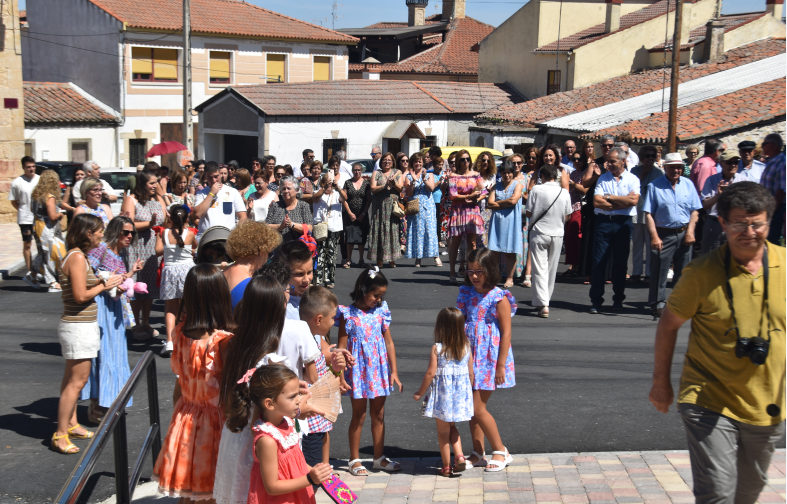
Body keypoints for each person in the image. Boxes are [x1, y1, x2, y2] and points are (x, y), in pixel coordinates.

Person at [649, 182, 784, 504]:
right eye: (739, 223)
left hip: (766, 403)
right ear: (722, 223)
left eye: (757, 223)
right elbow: (668, 326)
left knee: (748, 491)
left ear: (769, 222)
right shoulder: (701, 273)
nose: (749, 232)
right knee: (718, 494)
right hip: (708, 399)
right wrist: (661, 384)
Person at [215, 276, 340, 504]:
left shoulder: (235, 342)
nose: (288, 294)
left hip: (240, 434)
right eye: (285, 291)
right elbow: (275, 403)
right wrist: (302, 405)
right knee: (267, 490)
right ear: (277, 306)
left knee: (244, 490)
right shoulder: (272, 355)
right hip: (272, 435)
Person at [152, 264, 235, 499]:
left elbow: (179, 383)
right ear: (220, 297)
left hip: (185, 417)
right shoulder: (224, 341)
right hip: (216, 422)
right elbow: (228, 391)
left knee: (188, 490)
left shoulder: (178, 332)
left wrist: (179, 414)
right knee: (211, 492)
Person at [51, 214, 123, 454]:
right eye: (99, 231)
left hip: (78, 325)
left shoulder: (75, 256)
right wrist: (106, 284)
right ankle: (60, 434)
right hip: (78, 327)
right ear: (88, 233)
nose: (102, 235)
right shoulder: (77, 258)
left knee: (70, 380)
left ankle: (71, 424)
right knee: (77, 381)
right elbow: (81, 295)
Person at [337, 266, 403, 476]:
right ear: (363, 290)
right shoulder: (347, 315)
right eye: (376, 295)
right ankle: (354, 459)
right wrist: (339, 376)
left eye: (381, 296)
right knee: (359, 414)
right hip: (357, 371)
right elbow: (340, 349)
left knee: (379, 413)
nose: (378, 299)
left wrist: (394, 371)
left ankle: (379, 458)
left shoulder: (381, 312)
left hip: (379, 370)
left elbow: (389, 343)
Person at [456, 247, 515, 472]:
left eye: (479, 271)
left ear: (490, 270)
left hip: (490, 359)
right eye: (470, 271)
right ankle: (477, 452)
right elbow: (459, 324)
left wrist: (500, 365)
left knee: (477, 406)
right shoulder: (466, 293)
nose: (474, 276)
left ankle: (500, 450)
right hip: (470, 356)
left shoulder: (499, 297)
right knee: (472, 408)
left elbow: (506, 333)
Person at [81, 216, 143, 421]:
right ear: (116, 231)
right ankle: (96, 405)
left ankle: (108, 401)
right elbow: (87, 273)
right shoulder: (102, 249)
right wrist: (107, 280)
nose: (129, 236)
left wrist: (131, 272)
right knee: (104, 353)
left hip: (115, 307)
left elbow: (118, 278)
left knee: (115, 354)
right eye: (125, 232)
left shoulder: (120, 253)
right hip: (102, 306)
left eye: (131, 233)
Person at [241, 366, 331, 504]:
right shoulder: (267, 440)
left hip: (297, 495)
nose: (298, 400)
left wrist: (316, 472)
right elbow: (272, 486)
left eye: (298, 394)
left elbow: (297, 462)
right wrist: (309, 479)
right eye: (292, 396)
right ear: (270, 404)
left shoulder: (287, 422)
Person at [413, 307, 474, 477]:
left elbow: (431, 373)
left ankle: (447, 467)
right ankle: (460, 456)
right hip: (460, 395)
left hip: (443, 397)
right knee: (452, 426)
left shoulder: (437, 348)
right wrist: (467, 394)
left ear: (441, 327)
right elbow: (471, 374)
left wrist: (419, 392)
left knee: (443, 432)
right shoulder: (467, 347)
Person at [298, 286, 352, 475]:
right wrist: (334, 376)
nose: (334, 322)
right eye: (332, 318)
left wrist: (336, 370)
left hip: (316, 414)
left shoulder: (313, 336)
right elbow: (312, 377)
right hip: (309, 416)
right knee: (311, 466)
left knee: (317, 454)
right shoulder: (306, 340)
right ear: (319, 319)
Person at [643, 153, 702, 318]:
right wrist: (654, 237)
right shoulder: (655, 186)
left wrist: (690, 232)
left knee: (683, 271)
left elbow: (695, 211)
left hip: (684, 233)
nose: (676, 170)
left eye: (678, 167)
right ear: (665, 168)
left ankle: (678, 302)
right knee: (660, 272)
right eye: (672, 167)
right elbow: (648, 214)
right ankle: (658, 303)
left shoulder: (688, 185)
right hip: (663, 233)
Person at [589, 147, 639, 314]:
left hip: (623, 224)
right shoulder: (603, 178)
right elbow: (597, 201)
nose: (608, 164)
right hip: (603, 223)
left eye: (612, 161)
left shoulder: (633, 179)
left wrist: (609, 197)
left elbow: (633, 202)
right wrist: (621, 202)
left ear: (623, 161)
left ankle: (618, 299)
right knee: (599, 263)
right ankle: (596, 301)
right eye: (607, 160)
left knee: (620, 263)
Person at [122, 170, 166, 339]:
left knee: (148, 288)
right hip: (137, 247)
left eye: (156, 182)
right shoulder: (131, 200)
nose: (155, 186)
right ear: (142, 184)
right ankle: (136, 324)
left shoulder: (157, 200)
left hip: (153, 248)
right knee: (136, 286)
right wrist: (150, 223)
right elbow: (128, 224)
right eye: (151, 183)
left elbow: (163, 220)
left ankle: (146, 322)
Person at [526, 165, 573, 318]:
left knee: (540, 268)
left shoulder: (536, 190)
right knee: (551, 269)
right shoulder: (564, 192)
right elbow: (568, 215)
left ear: (543, 176)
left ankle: (543, 302)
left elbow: (528, 212)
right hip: (557, 233)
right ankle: (546, 301)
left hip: (539, 232)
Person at [155, 205, 197, 356]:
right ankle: (188, 337)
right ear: (186, 220)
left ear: (170, 219)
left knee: (170, 308)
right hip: (187, 271)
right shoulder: (190, 234)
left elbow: (157, 251)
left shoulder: (163, 233)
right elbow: (194, 248)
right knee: (188, 306)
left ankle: (170, 341)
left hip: (171, 270)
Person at [223, 220, 282, 310]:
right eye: (269, 253)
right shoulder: (250, 285)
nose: (268, 259)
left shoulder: (223, 272)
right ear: (260, 252)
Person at [446, 150, 485, 284]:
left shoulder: (475, 175)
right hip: (458, 211)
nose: (465, 162)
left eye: (467, 159)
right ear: (458, 161)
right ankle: (452, 272)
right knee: (455, 243)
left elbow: (484, 191)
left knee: (472, 243)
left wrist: (477, 198)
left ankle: (470, 273)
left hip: (472, 211)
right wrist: (469, 196)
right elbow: (452, 195)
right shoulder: (453, 176)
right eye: (462, 159)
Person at [701, 151, 749, 254]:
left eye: (736, 162)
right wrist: (718, 196)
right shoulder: (711, 180)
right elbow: (704, 205)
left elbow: (748, 206)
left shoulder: (744, 181)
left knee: (735, 258)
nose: (733, 165)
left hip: (735, 225)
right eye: (729, 162)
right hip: (714, 225)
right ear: (721, 163)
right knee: (711, 259)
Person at [487, 160, 524, 288]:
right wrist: (506, 202)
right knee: (494, 251)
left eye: (509, 172)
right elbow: (489, 203)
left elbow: (514, 201)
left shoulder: (518, 185)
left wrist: (499, 203)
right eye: (504, 173)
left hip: (512, 221)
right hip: (497, 221)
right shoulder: (495, 186)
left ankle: (509, 278)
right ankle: (494, 277)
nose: (506, 175)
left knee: (510, 252)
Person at [630, 146, 665, 282]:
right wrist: (641, 176)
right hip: (637, 212)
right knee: (637, 244)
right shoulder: (634, 171)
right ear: (641, 157)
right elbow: (631, 187)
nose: (650, 159)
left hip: (652, 213)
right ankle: (636, 272)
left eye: (653, 156)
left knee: (651, 244)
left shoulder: (660, 172)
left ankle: (650, 273)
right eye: (647, 156)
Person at [193, 161, 248, 239]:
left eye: (216, 176)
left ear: (220, 174)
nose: (214, 180)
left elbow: (243, 217)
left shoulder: (233, 192)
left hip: (227, 238)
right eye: (210, 177)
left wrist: (236, 234)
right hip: (206, 239)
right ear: (205, 176)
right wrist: (211, 193)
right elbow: (198, 214)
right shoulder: (201, 193)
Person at [31, 169, 65, 291]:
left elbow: (32, 210)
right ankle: (52, 282)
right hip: (46, 227)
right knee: (50, 254)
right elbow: (52, 216)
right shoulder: (49, 197)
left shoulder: (36, 194)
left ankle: (33, 274)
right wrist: (60, 215)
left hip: (37, 225)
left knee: (43, 252)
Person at [9, 156, 40, 288]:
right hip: (25, 218)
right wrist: (23, 210)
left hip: (39, 217)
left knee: (42, 244)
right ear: (23, 168)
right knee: (27, 244)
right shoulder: (17, 182)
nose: (31, 169)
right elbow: (14, 200)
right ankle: (29, 271)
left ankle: (39, 270)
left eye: (33, 166)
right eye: (28, 167)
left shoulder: (39, 180)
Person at [368, 152, 403, 269]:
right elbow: (372, 188)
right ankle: (379, 258)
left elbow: (400, 188)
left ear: (392, 162)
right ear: (381, 162)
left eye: (389, 160)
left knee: (392, 231)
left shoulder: (397, 173)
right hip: (379, 206)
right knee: (379, 231)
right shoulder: (376, 173)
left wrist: (393, 183)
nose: (386, 162)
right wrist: (384, 186)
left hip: (392, 206)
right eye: (384, 160)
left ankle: (392, 258)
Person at [404, 152, 440, 266]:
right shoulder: (408, 176)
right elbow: (409, 193)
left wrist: (423, 178)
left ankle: (436, 256)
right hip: (415, 206)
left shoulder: (430, 174)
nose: (417, 163)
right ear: (412, 163)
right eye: (415, 161)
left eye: (419, 161)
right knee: (417, 232)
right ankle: (418, 258)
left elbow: (431, 188)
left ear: (423, 162)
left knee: (430, 231)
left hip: (428, 206)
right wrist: (414, 181)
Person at [313, 173, 344, 288]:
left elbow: (345, 198)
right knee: (319, 254)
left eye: (331, 182)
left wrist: (338, 187)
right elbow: (315, 198)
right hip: (320, 227)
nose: (329, 184)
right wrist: (324, 187)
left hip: (333, 228)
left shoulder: (336, 194)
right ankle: (317, 278)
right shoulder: (318, 192)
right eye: (327, 181)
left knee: (331, 254)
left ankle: (329, 279)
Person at [265, 176, 312, 244]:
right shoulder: (275, 205)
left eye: (289, 188)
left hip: (298, 249)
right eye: (283, 189)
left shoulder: (304, 206)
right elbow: (266, 227)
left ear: (297, 190)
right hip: (278, 249)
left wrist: (292, 225)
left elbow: (309, 229)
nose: (286, 191)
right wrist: (280, 226)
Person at [341, 162, 371, 267]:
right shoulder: (347, 182)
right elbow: (344, 199)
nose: (357, 172)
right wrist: (349, 213)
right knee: (349, 237)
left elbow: (368, 200)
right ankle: (348, 259)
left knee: (361, 238)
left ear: (361, 171)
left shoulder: (366, 183)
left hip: (362, 214)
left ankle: (361, 259)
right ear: (352, 171)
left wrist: (363, 213)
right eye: (355, 170)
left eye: (359, 170)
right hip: (350, 215)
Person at [276, 240, 315, 321]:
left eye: (309, 272)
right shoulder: (282, 308)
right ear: (283, 272)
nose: (306, 280)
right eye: (299, 274)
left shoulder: (314, 298)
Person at [564, 152, 588, 277]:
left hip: (579, 206)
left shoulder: (585, 173)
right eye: (574, 159)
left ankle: (576, 265)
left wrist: (571, 183)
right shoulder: (572, 173)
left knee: (576, 236)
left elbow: (584, 189)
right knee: (569, 237)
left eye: (580, 158)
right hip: (570, 206)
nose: (577, 161)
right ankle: (573, 264)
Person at [759, 133, 785, 245]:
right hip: (769, 208)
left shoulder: (783, 163)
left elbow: (781, 191)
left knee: (772, 241)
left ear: (770, 145)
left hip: (776, 209)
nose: (761, 147)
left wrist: (770, 212)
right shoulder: (771, 161)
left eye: (763, 144)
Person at [473, 151, 497, 248]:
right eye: (483, 160)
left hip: (488, 206)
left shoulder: (493, 176)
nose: (486, 162)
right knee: (476, 231)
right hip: (476, 205)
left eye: (488, 161)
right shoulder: (475, 175)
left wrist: (491, 191)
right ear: (479, 161)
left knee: (487, 231)